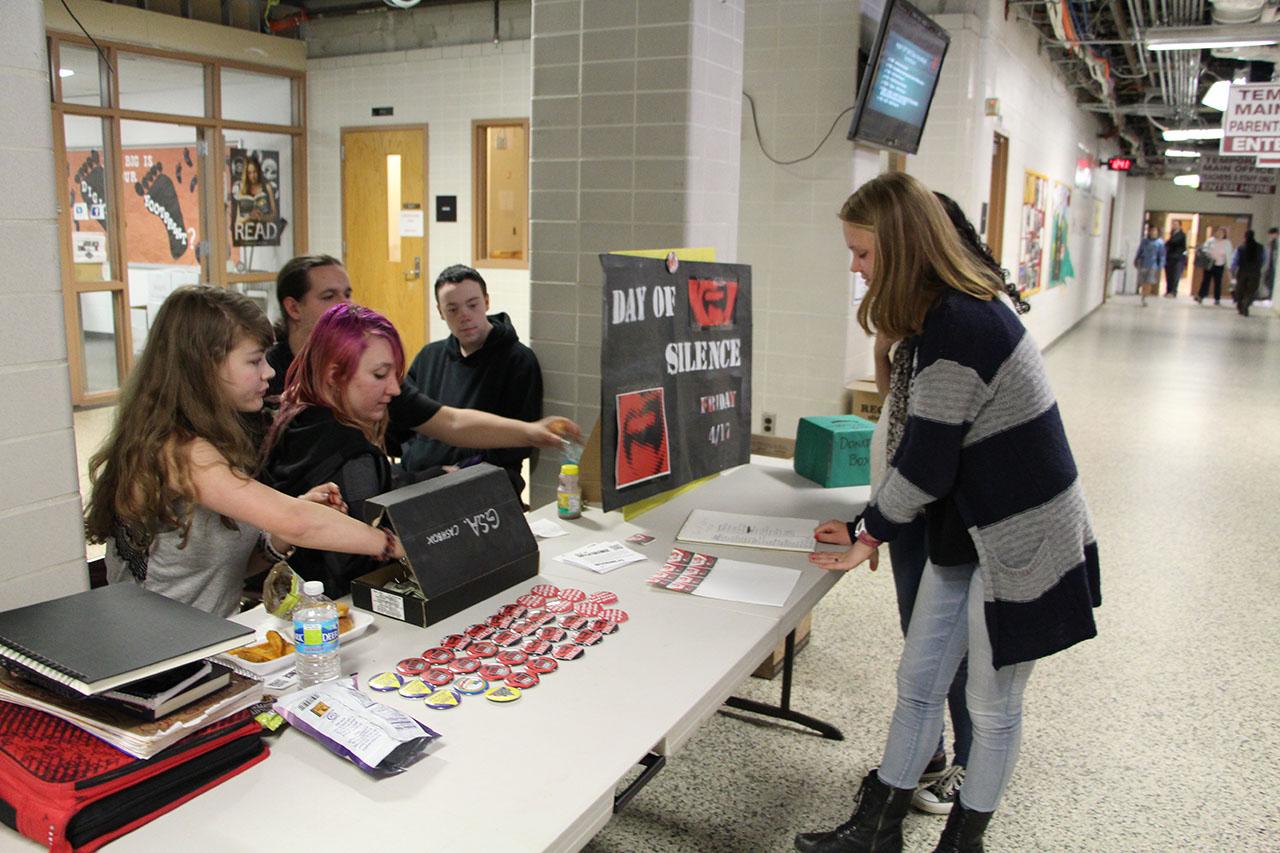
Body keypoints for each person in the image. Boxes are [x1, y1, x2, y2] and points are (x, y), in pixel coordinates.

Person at [796, 173, 1100, 853]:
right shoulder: (938, 319)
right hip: (967, 528)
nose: (855, 266)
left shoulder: (964, 323)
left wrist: (866, 533)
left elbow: (926, 463)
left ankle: (962, 845)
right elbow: (919, 455)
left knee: (992, 707)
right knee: (920, 679)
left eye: (863, 252)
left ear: (901, 249)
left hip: (1020, 538)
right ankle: (878, 832)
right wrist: (864, 526)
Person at [83, 286, 404, 617]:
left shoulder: (214, 438)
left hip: (212, 643)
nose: (269, 371)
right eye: (254, 360)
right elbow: (298, 523)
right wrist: (392, 544)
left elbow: (218, 571)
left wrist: (277, 537)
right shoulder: (178, 450)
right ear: (205, 366)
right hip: (170, 659)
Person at [267, 254, 577, 461]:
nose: (345, 305)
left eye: (347, 294)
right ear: (294, 308)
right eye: (329, 296)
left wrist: (532, 431)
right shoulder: (266, 375)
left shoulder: (363, 363)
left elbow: (451, 421)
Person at [260, 304, 409, 597]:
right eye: (380, 375)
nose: (395, 389)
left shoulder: (292, 418)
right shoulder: (355, 458)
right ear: (333, 375)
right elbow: (359, 574)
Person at [399, 265, 543, 495]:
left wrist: (462, 469)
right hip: (424, 479)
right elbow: (404, 422)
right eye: (452, 309)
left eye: (472, 305)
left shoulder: (518, 360)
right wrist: (417, 461)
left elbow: (519, 442)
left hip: (485, 482)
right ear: (440, 311)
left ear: (486, 302)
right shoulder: (429, 357)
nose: (464, 316)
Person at [1230, 230, 1265, 317]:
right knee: (1251, 290)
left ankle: (1241, 306)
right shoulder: (1260, 247)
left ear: (1245, 237)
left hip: (1242, 272)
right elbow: (1263, 260)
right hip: (1255, 272)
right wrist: (1258, 267)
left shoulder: (1240, 248)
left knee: (1240, 290)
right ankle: (1246, 304)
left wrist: (1232, 270)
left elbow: (1235, 260)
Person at [1197, 226, 1232, 305]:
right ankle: (1201, 296)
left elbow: (1228, 255)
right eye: (1218, 232)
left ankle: (1217, 298)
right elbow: (1205, 249)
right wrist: (1208, 254)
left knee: (1218, 282)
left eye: (1222, 233)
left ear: (1224, 234)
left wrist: (1228, 266)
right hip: (1209, 264)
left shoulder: (1227, 243)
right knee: (1205, 281)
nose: (1219, 234)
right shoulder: (1211, 240)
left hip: (1219, 264)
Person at [1133, 224, 1164, 307]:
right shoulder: (1144, 241)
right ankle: (1143, 295)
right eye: (1151, 230)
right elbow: (1139, 251)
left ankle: (1146, 297)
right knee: (1143, 281)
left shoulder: (1160, 242)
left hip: (1153, 264)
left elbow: (1161, 255)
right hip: (1143, 263)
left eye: (1155, 231)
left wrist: (1160, 264)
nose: (1153, 232)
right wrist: (1136, 259)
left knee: (1149, 281)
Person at [1164, 222, 1187, 298]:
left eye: (1176, 224)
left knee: (1175, 275)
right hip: (1169, 258)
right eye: (1173, 224)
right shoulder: (1172, 234)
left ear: (1180, 226)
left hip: (1178, 258)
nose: (1174, 226)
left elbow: (1172, 243)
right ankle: (1168, 290)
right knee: (1169, 275)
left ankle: (1173, 292)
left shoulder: (1182, 235)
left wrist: (1167, 243)